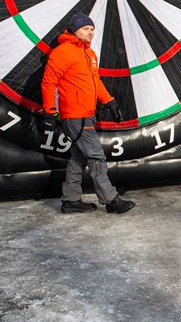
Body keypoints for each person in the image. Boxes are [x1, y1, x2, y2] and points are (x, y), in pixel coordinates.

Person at [41, 13, 135, 215]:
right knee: (96, 157)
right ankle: (110, 200)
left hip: (87, 113)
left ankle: (71, 199)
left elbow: (95, 82)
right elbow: (49, 82)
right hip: (75, 114)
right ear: (74, 30)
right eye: (85, 29)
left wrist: (109, 101)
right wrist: (50, 111)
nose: (90, 32)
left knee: (78, 157)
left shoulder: (89, 54)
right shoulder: (62, 52)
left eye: (92, 29)